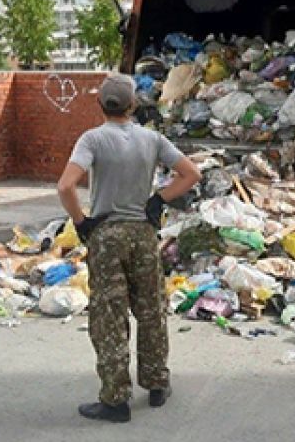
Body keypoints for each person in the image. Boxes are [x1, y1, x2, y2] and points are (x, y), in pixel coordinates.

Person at [56, 72, 202, 423]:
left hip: (106, 235)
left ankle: (116, 400)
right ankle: (156, 384)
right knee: (150, 309)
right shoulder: (151, 139)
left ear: (100, 105)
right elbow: (191, 173)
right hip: (142, 234)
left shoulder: (92, 139)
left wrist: (81, 221)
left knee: (110, 316)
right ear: (133, 104)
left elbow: (65, 186)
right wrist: (158, 199)